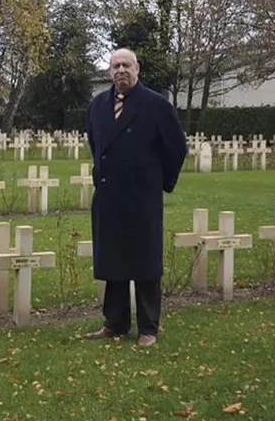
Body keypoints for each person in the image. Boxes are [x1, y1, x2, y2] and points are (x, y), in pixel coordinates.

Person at [83, 48, 187, 347]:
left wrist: (158, 182)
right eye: (115, 66)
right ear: (109, 72)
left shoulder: (156, 105)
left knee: (144, 262)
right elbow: (95, 141)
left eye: (126, 65)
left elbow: (176, 148)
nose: (120, 71)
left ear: (137, 69)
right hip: (109, 195)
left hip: (141, 197)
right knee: (113, 261)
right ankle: (114, 323)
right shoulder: (99, 104)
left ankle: (148, 328)